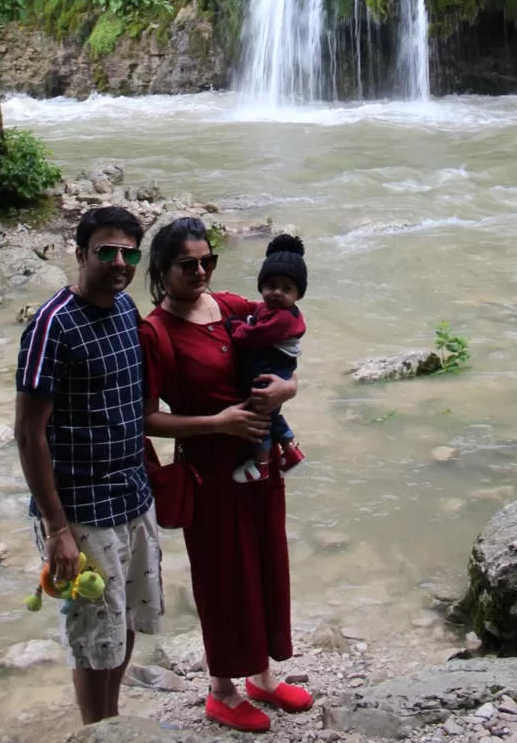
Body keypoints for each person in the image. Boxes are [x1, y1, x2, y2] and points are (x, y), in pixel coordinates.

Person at [141, 217, 313, 733]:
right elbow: (146, 418)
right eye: (188, 264)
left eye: (207, 261)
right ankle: (221, 690)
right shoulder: (155, 332)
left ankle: (261, 676)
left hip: (259, 463)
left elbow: (286, 343)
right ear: (162, 270)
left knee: (264, 563)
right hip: (210, 472)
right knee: (222, 577)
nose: (201, 272)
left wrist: (289, 390)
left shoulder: (233, 306)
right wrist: (219, 422)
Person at [14, 205, 162, 725]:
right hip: (80, 511)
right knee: (93, 636)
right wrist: (57, 529)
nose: (119, 263)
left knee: (123, 622)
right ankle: (96, 730)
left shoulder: (125, 310)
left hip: (132, 496)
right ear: (80, 253)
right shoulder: (52, 326)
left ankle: (111, 723)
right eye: (107, 251)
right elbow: (28, 434)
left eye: (129, 254)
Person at [225, 233, 307, 484]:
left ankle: (261, 464)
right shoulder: (274, 309)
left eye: (287, 288)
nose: (277, 293)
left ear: (298, 295)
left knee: (258, 416)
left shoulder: (282, 318)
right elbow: (258, 312)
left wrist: (234, 326)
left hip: (271, 372)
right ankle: (290, 450)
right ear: (261, 286)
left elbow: (253, 337)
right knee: (272, 416)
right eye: (271, 286)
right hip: (277, 371)